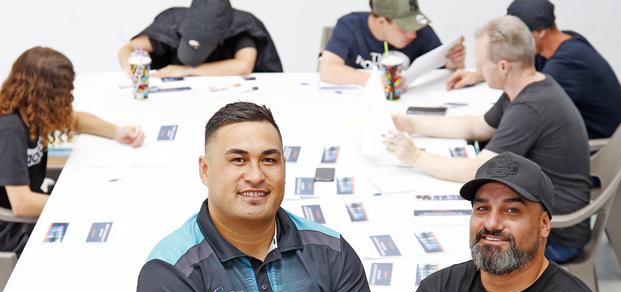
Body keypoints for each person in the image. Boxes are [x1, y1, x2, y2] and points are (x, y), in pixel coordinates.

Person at [136, 102, 385, 292]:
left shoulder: (330, 249)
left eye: (269, 160)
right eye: (238, 160)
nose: (256, 175)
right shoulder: (170, 269)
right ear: (205, 170)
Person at [383, 15, 590, 264]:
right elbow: (477, 125)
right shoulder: (527, 87)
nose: (478, 70)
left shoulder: (530, 107)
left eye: (481, 63)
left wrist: (415, 156)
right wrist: (412, 123)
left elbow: (476, 170)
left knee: (457, 247)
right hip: (544, 208)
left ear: (503, 66)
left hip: (556, 234)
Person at [389, 152, 611, 292]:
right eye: (483, 208)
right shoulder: (438, 291)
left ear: (544, 224)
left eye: (512, 210)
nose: (492, 223)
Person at [0, 47, 144, 255]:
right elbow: (22, 204)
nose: (68, 97)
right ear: (44, 93)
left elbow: (76, 120)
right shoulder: (9, 129)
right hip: (11, 228)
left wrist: (118, 132)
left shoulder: (30, 111)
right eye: (64, 92)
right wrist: (79, 203)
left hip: (28, 212)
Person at [447, 0, 621, 139]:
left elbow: (527, 108)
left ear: (541, 32)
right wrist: (480, 74)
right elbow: (522, 67)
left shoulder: (566, 65)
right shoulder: (568, 41)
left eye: (520, 35)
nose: (514, 43)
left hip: (596, 147)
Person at [118, 0, 282, 78]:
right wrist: (129, 69)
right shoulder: (172, 24)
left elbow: (244, 65)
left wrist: (188, 71)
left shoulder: (240, 29)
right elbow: (128, 49)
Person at [319, 0, 465, 86]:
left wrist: (454, 63)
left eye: (414, 25)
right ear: (382, 21)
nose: (413, 34)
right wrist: (378, 82)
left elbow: (446, 72)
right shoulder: (350, 26)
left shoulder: (422, 32)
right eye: (404, 28)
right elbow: (328, 69)